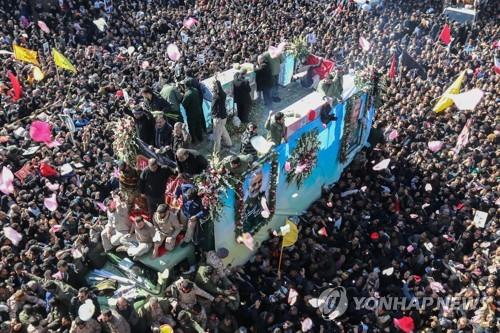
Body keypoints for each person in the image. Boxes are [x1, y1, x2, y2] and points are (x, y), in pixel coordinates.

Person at [211, 79, 232, 154]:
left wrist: (213, 116)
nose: (212, 87)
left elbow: (213, 107)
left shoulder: (215, 96)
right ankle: (229, 143)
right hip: (223, 117)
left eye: (213, 86)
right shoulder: (223, 94)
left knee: (217, 136)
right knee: (223, 130)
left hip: (218, 118)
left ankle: (216, 152)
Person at [182, 79, 205, 144]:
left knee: (191, 127)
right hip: (198, 111)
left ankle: (194, 140)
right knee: (198, 125)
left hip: (191, 114)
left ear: (185, 86)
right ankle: (200, 138)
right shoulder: (195, 90)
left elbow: (184, 104)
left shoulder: (187, 94)